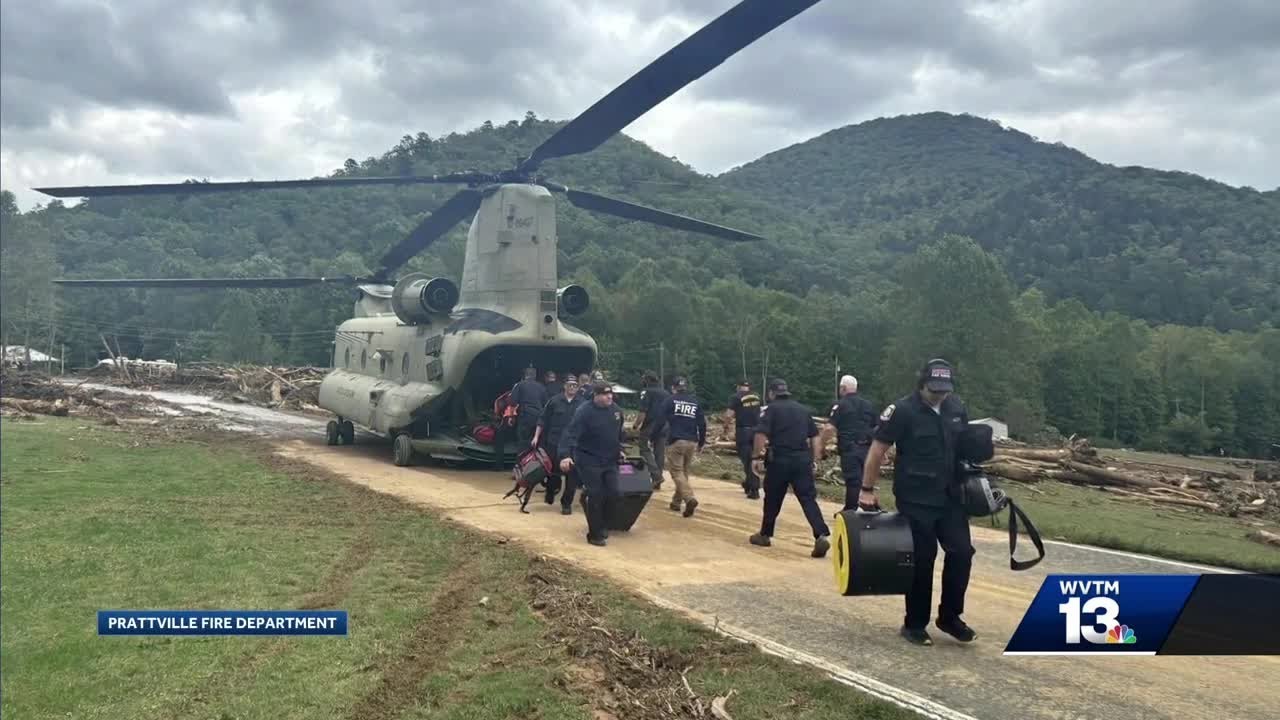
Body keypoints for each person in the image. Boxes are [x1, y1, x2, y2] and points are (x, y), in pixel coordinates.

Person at [859, 358, 976, 646]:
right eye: (934, 389)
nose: (940, 394)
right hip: (916, 498)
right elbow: (877, 450)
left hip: (950, 497)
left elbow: (966, 448)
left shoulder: (956, 408)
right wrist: (866, 489)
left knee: (962, 553)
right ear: (921, 383)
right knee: (923, 560)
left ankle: (949, 616)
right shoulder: (901, 411)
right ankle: (914, 624)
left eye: (945, 389)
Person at [749, 379, 830, 557]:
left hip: (780, 459)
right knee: (808, 499)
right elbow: (815, 436)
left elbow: (760, 433)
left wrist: (755, 456)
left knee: (772, 498)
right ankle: (821, 535)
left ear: (771, 393)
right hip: (802, 459)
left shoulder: (771, 409)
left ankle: (765, 534)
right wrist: (814, 459)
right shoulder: (803, 410)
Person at [558, 382, 626, 546]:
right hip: (588, 458)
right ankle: (594, 535)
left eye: (610, 394)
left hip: (610, 459)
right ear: (595, 395)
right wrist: (565, 455)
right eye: (604, 394)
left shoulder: (616, 410)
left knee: (615, 493)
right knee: (597, 494)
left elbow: (618, 433)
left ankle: (601, 523)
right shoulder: (584, 412)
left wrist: (620, 449)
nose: (609, 397)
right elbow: (570, 433)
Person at [821, 375, 877, 510]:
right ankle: (870, 510)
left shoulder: (840, 405)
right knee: (866, 482)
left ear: (843, 388)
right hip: (867, 449)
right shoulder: (868, 405)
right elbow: (876, 428)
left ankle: (850, 512)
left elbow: (829, 428)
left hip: (850, 449)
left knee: (853, 482)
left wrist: (821, 446)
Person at [532, 377, 582, 513]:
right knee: (553, 473)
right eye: (570, 385)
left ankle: (566, 504)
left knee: (572, 476)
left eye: (575, 385)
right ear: (564, 386)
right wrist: (536, 436)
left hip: (573, 445)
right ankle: (550, 490)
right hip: (554, 443)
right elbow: (542, 419)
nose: (572, 388)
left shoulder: (582, 404)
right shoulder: (554, 401)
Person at [659, 376, 706, 517]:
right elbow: (702, 424)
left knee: (676, 472)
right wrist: (702, 442)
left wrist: (653, 436)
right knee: (684, 472)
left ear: (673, 388)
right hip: (692, 441)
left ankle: (689, 498)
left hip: (676, 441)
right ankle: (676, 502)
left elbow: (660, 420)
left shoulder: (669, 400)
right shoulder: (694, 401)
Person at [632, 371, 670, 491]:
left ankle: (656, 476)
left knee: (643, 448)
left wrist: (636, 425)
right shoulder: (666, 393)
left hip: (650, 425)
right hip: (664, 425)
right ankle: (656, 480)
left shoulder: (647, 392)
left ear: (647, 380)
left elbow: (643, 411)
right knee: (660, 452)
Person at [723, 380, 762, 499]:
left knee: (746, 459)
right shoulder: (756, 397)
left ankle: (754, 488)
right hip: (757, 430)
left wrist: (725, 427)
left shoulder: (736, 397)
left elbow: (729, 415)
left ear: (738, 387)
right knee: (753, 457)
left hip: (744, 431)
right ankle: (748, 483)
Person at [511, 366, 548, 447]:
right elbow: (546, 404)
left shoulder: (519, 385)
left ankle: (523, 457)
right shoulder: (542, 387)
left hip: (525, 417)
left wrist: (512, 416)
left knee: (523, 442)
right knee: (536, 443)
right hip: (538, 418)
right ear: (535, 376)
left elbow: (513, 402)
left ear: (524, 375)